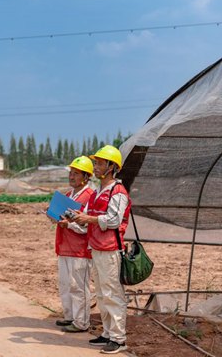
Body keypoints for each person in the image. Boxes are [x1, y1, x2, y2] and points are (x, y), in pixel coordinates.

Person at [72, 145, 131, 354]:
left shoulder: (118, 192)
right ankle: (107, 333)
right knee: (102, 293)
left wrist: (89, 219)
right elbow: (89, 215)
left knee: (112, 293)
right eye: (95, 163)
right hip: (96, 248)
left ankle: (118, 338)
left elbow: (114, 220)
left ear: (111, 167)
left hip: (110, 249)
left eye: (99, 163)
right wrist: (75, 217)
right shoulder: (99, 191)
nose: (95, 167)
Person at [53, 156, 95, 334]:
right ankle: (69, 316)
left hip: (80, 249)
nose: (71, 177)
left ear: (86, 177)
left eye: (76, 173)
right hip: (65, 246)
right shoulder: (70, 195)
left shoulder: (90, 197)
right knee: (65, 284)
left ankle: (81, 322)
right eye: (71, 173)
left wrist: (69, 224)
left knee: (78, 286)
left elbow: (88, 227)